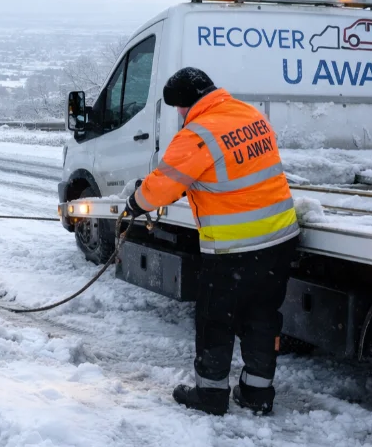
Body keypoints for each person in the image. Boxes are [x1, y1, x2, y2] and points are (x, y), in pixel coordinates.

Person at [122, 67, 300, 416]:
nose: (179, 115)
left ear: (187, 104)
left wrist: (133, 203)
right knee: (262, 317)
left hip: (233, 249)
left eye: (179, 108)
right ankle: (257, 393)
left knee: (215, 319)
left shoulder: (197, 134)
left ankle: (211, 394)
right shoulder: (249, 114)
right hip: (279, 239)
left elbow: (161, 188)